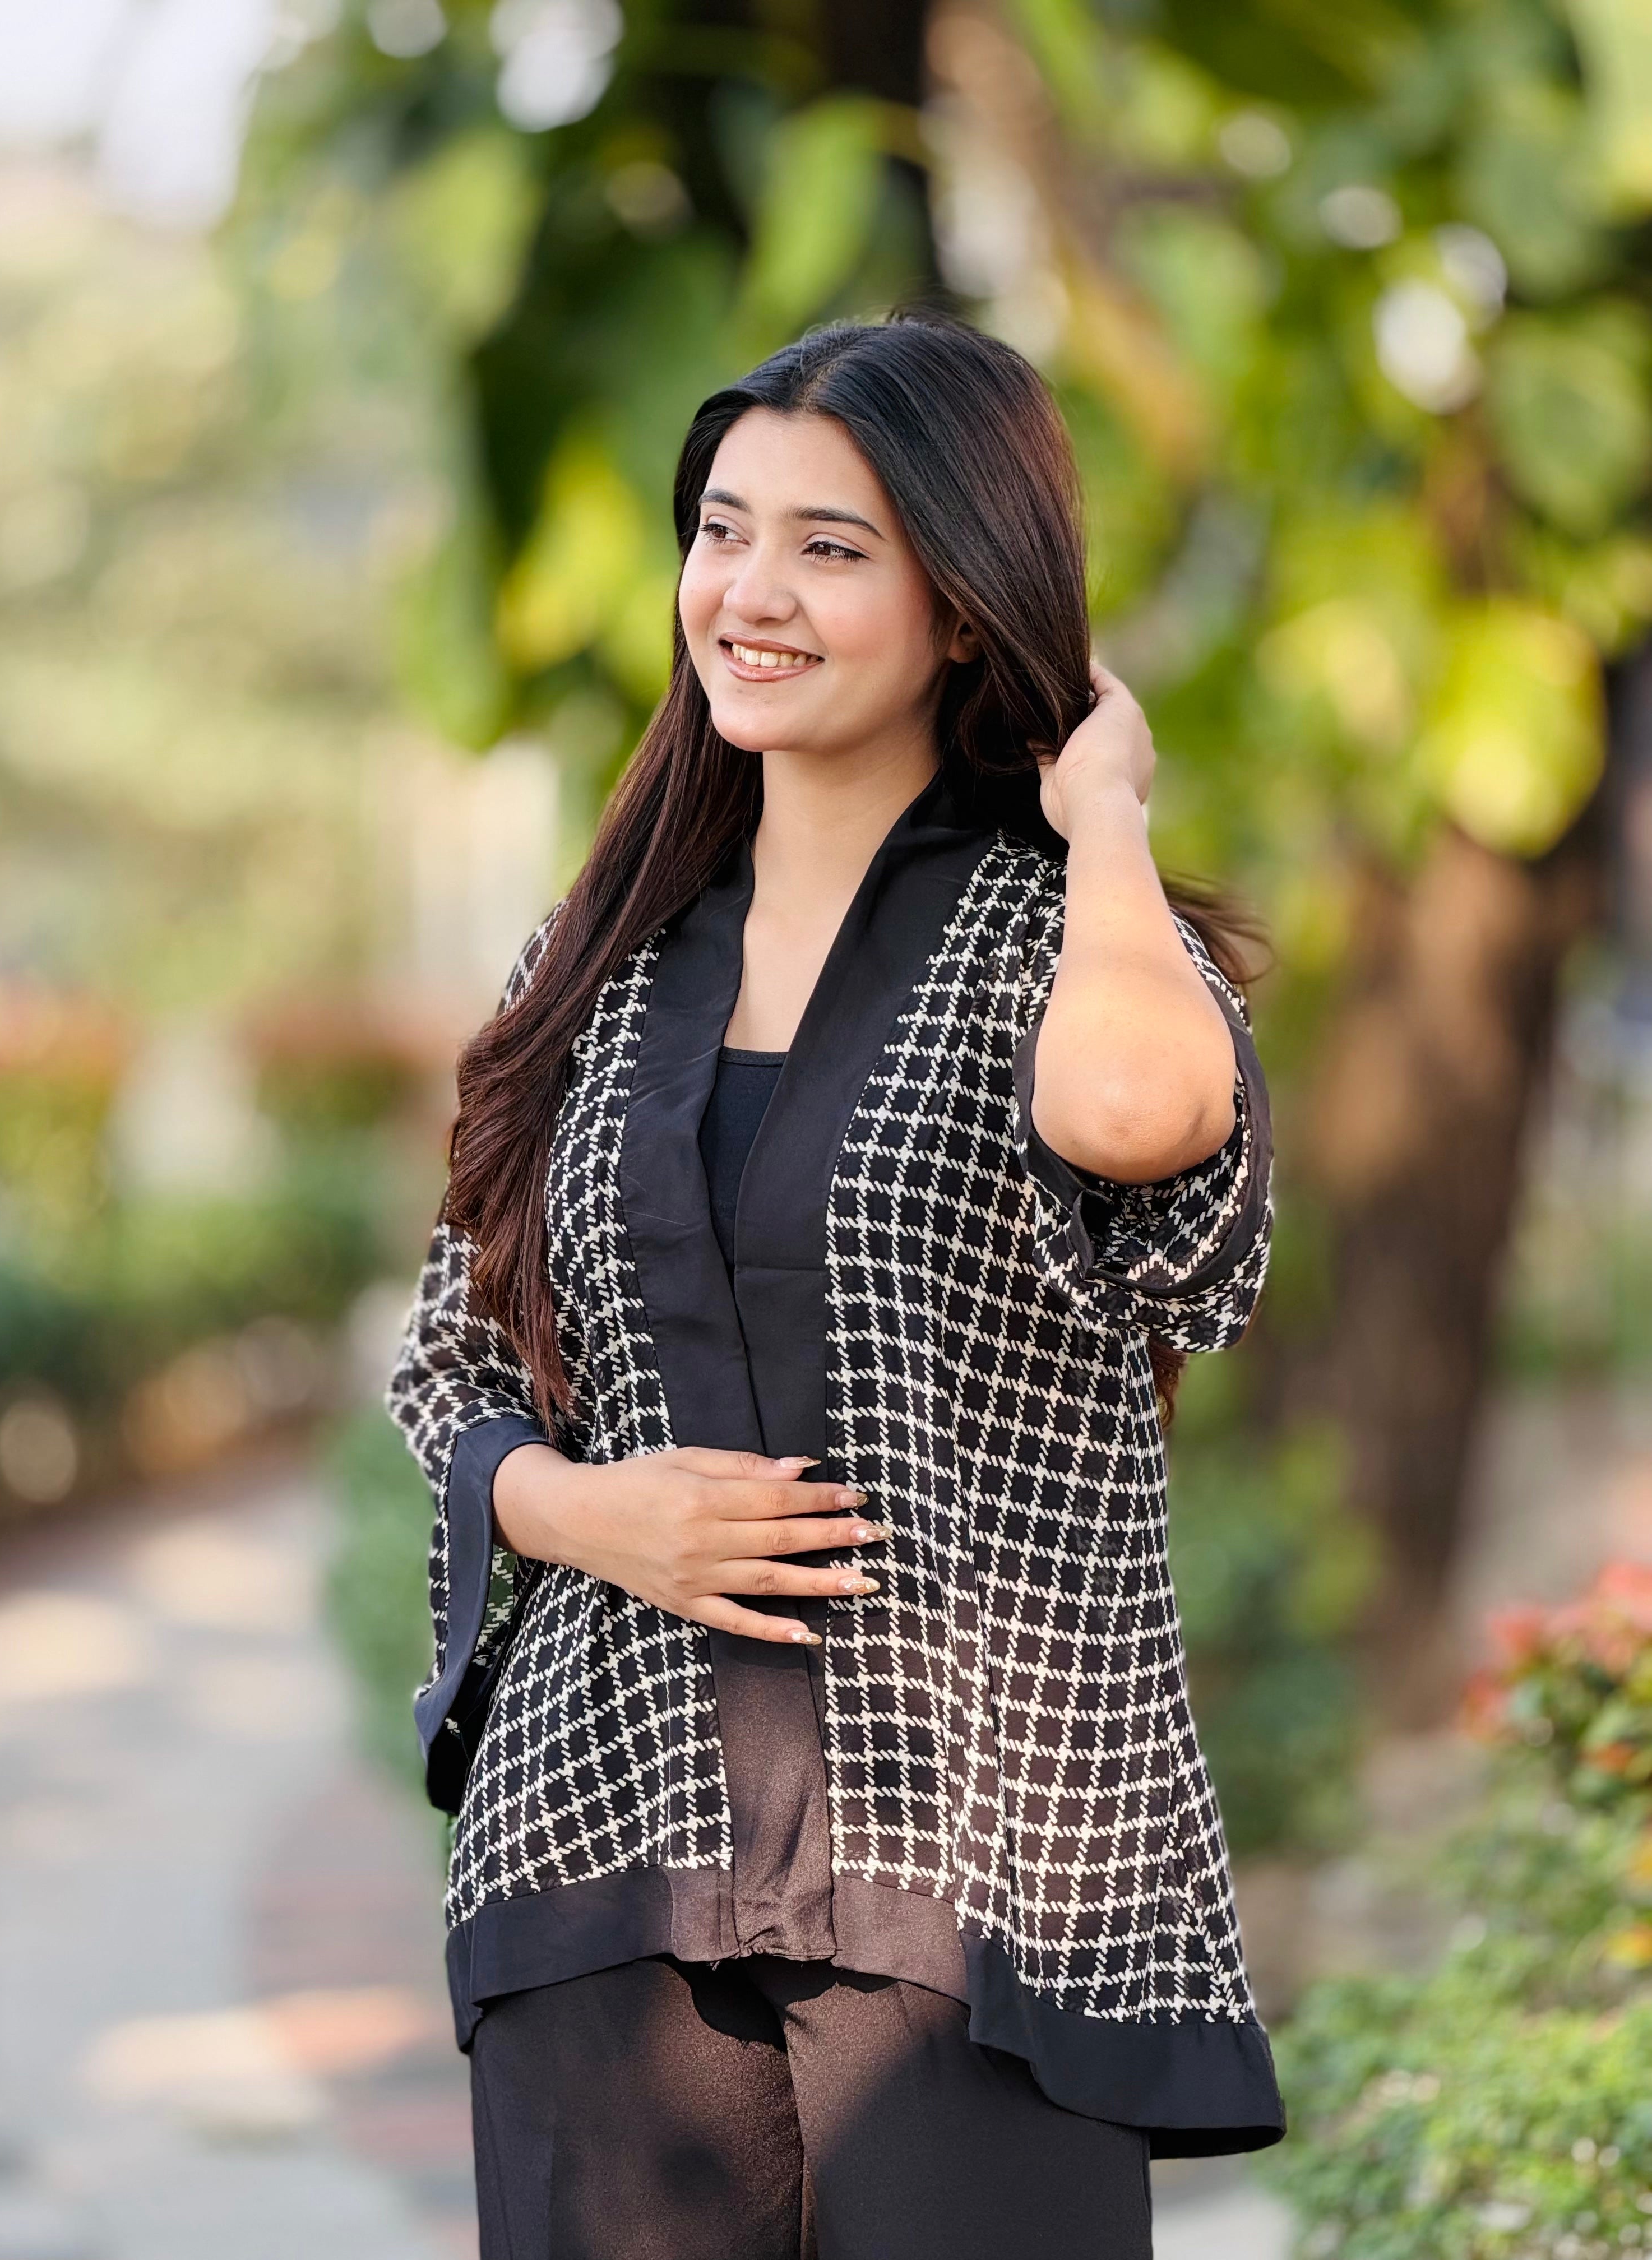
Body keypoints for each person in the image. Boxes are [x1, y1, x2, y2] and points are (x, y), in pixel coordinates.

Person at [385, 309, 1283, 2260]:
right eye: (724, 529)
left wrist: (1105, 813)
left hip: (977, 1866)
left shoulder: (1061, 944)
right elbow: (446, 1359)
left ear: (965, 606)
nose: (750, 593)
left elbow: (1150, 1134)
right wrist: (582, 1509)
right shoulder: (600, 956)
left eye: (830, 546)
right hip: (603, 1851)